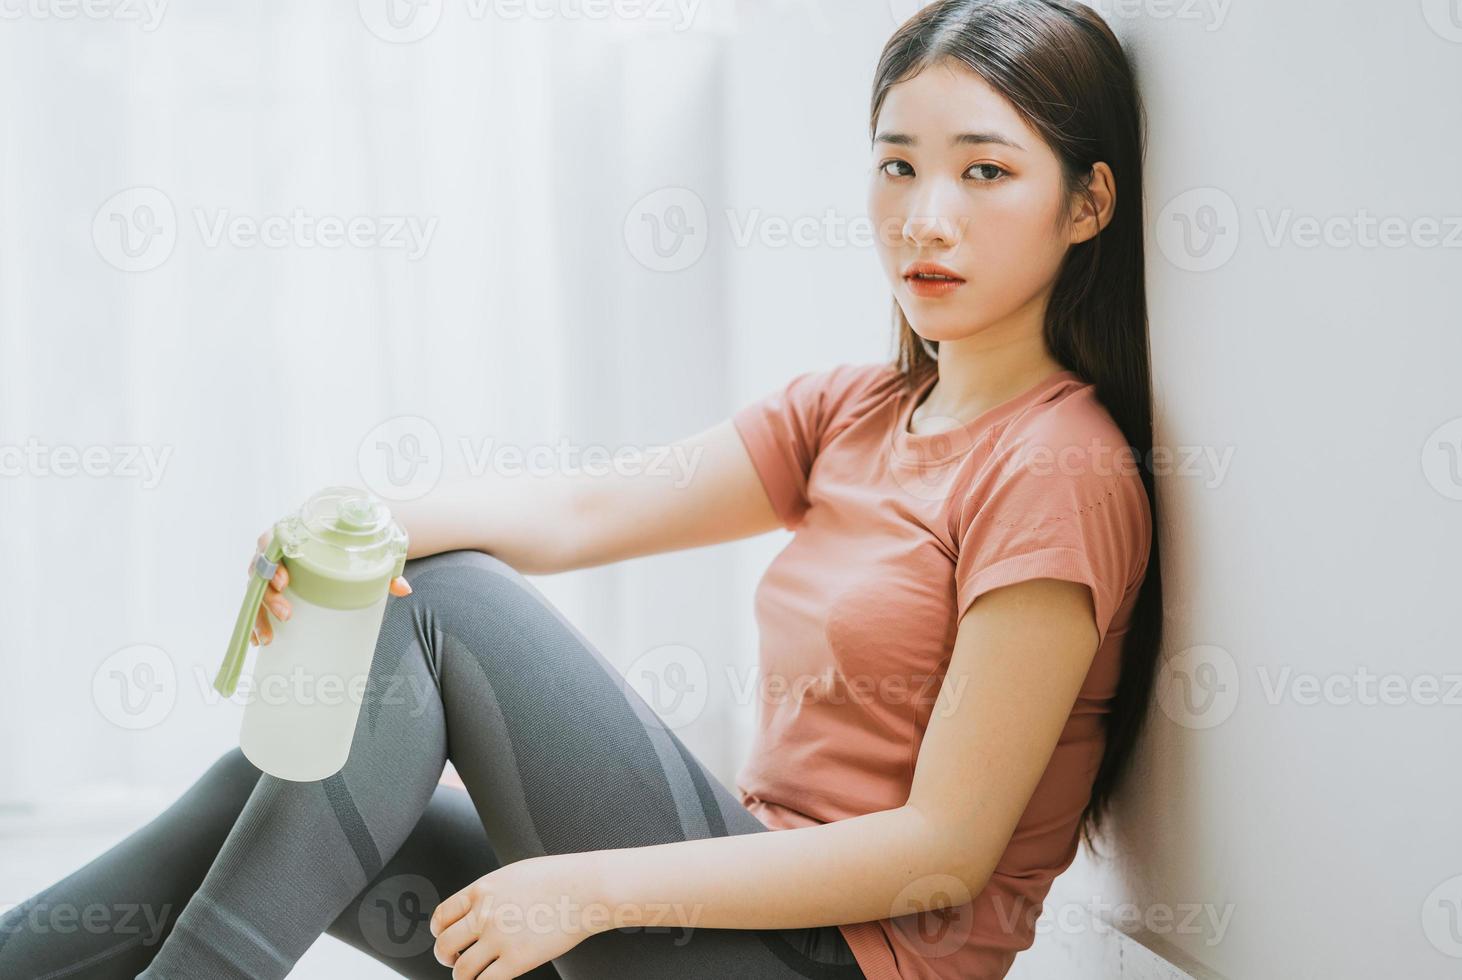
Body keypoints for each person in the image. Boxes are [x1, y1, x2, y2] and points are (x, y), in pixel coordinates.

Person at [0, 1, 1160, 977]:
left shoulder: (1059, 470)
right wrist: (328, 539)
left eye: (986, 171)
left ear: (1088, 204)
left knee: (445, 602)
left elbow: (945, 847)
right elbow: (583, 510)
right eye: (898, 163)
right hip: (730, 902)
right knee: (295, 764)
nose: (925, 216)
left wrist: (586, 891)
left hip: (833, 960)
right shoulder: (854, 410)